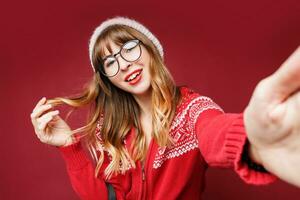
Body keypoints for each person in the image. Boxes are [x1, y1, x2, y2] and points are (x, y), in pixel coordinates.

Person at [30, 16, 300, 200]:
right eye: (110, 62)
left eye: (129, 49)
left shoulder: (191, 110)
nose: (123, 64)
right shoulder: (110, 128)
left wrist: (252, 139)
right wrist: (69, 147)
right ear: (108, 78)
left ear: (151, 51)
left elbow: (214, 131)